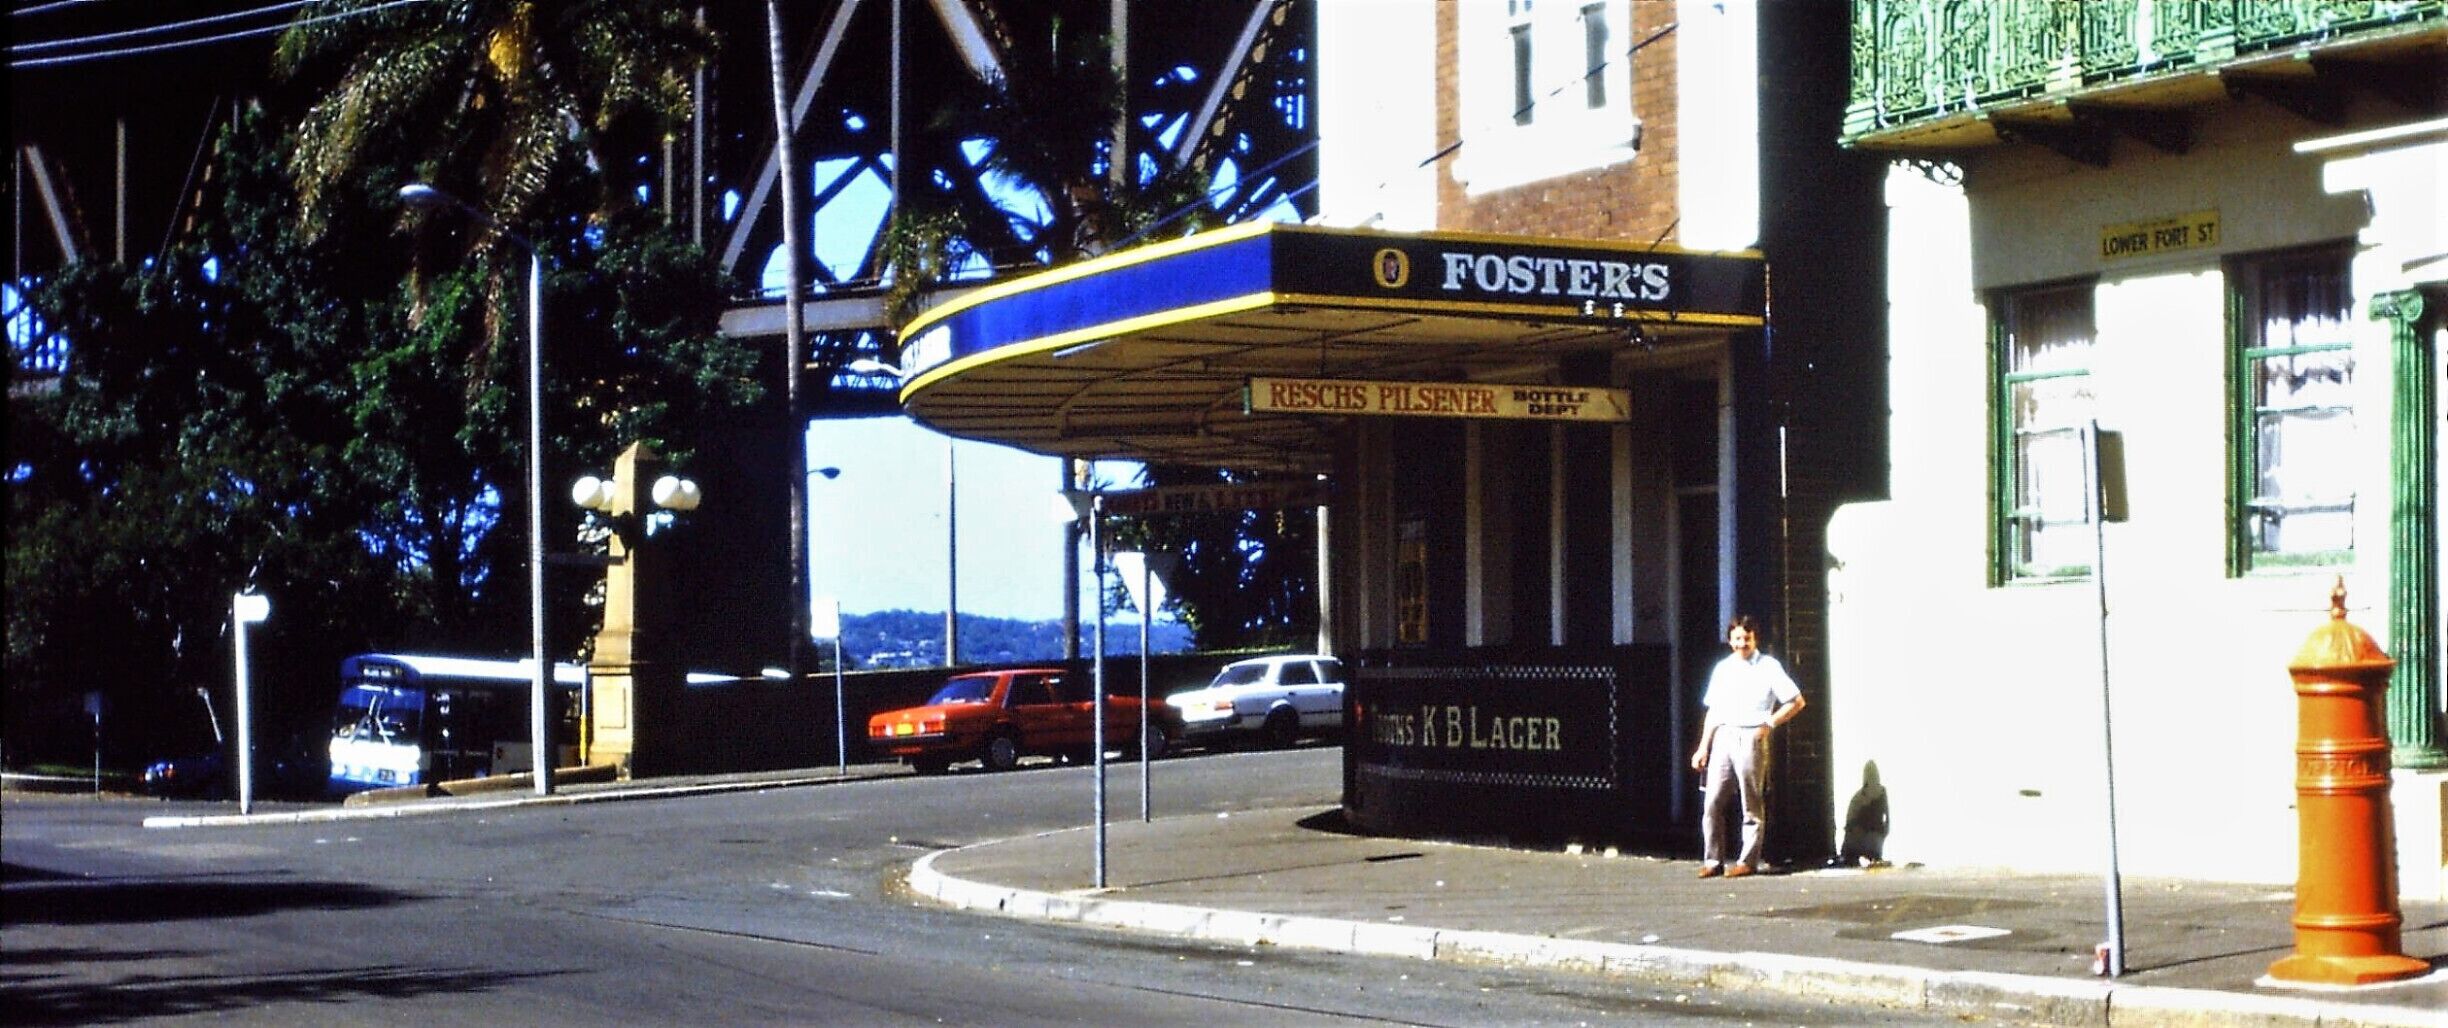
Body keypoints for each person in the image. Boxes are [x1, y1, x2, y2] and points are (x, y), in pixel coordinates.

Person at [1689, 615, 1805, 878]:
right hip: (1724, 735)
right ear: (1730, 640)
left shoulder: (1768, 666)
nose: (1742, 644)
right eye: (1737, 638)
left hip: (1752, 734)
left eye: (1747, 638)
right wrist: (1703, 747)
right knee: (1713, 801)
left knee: (1751, 800)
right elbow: (1714, 710)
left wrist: (1769, 723)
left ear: (1755, 639)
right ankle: (1713, 860)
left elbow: (1796, 701)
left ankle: (1747, 860)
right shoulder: (1723, 669)